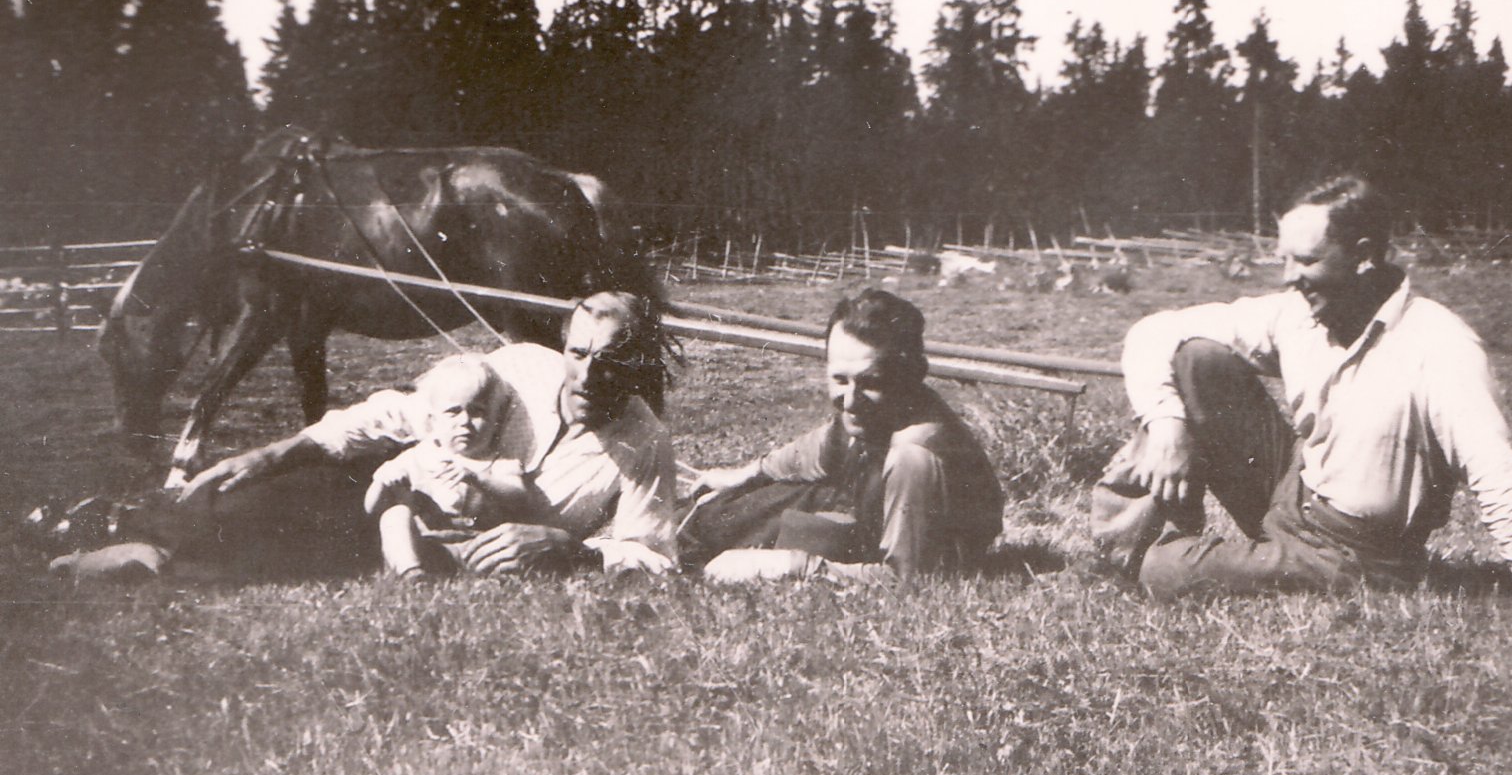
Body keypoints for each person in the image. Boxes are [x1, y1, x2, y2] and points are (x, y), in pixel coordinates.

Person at [1092, 174, 1512, 624]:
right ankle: (1119, 552)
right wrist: (1167, 425)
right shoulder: (1296, 313)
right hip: (1294, 492)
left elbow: (1498, 473)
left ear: (1363, 256)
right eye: (1284, 259)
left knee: (1165, 572)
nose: (1287, 276)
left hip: (1357, 551)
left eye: (1306, 260)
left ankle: (1163, 560)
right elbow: (1153, 330)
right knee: (1197, 358)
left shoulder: (1438, 346)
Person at [55, 291, 677, 579]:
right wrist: (281, 447)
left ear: (641, 363)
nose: (588, 373)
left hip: (450, 550)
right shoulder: (522, 367)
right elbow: (401, 413)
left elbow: (655, 554)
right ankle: (121, 535)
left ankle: (148, 551)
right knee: (295, 486)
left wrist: (566, 545)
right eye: (579, 352)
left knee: (309, 553)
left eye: (613, 361)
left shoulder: (644, 444)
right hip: (404, 499)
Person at [684, 288, 1004, 584]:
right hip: (866, 512)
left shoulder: (914, 457)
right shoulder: (871, 413)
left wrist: (794, 565)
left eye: (871, 383)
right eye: (839, 379)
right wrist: (745, 474)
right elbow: (819, 448)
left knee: (765, 534)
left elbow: (911, 579)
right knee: (718, 512)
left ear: (910, 376)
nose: (850, 401)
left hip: (921, 547)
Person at [364, 354, 536, 582]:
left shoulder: (500, 463)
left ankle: (493, 578)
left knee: (506, 548)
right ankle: (411, 573)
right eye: (453, 412)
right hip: (428, 547)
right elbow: (371, 509)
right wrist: (383, 483)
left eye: (477, 411)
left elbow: (521, 500)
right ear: (433, 421)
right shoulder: (415, 458)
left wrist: (478, 479)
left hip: (479, 549)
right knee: (395, 515)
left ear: (496, 420)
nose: (464, 420)